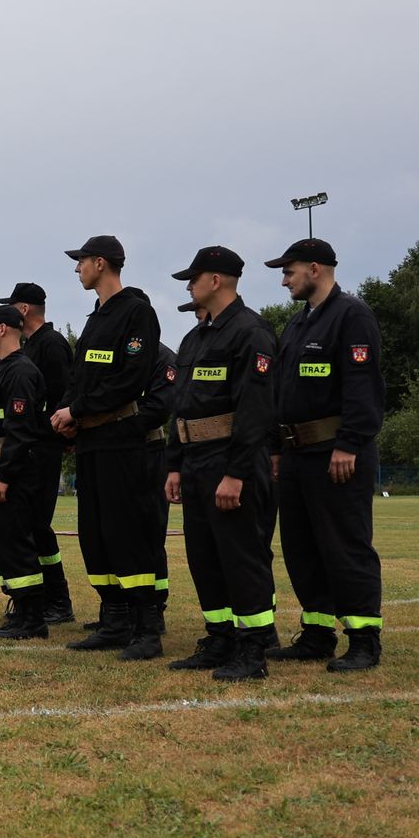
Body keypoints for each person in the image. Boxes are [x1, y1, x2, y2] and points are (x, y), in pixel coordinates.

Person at [266, 237, 387, 671]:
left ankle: (364, 639)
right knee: (302, 549)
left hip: (335, 452)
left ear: (314, 269)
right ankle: (317, 635)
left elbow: (362, 385)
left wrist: (349, 443)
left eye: (289, 272)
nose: (284, 281)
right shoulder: (298, 324)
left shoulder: (352, 316)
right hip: (297, 455)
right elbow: (281, 391)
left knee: (345, 546)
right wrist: (276, 448)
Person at [163, 247, 279, 681]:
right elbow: (182, 407)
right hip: (194, 461)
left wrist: (236, 473)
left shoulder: (251, 332)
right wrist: (174, 464)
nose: (188, 287)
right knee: (204, 556)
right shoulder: (196, 338)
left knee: (240, 555)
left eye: (193, 279)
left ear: (216, 280)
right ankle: (220, 638)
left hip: (230, 461)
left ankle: (253, 647)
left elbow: (255, 409)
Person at [52, 236, 163, 660]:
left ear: (100, 263)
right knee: (94, 534)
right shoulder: (96, 317)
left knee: (126, 533)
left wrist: (77, 409)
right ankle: (114, 621)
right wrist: (66, 415)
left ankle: (146, 628)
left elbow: (130, 379)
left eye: (80, 261)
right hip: (90, 441)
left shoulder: (136, 312)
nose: (76, 269)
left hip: (120, 441)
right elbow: (80, 378)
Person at [0, 305, 51, 638]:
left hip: (15, 473)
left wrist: (4, 476)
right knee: (2, 543)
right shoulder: (2, 369)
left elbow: (20, 431)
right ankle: (20, 611)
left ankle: (33, 619)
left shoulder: (20, 372)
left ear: (3, 328)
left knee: (16, 543)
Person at [1, 282, 75, 624]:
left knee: (38, 525)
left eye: (11, 306)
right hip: (27, 447)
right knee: (28, 525)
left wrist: (58, 436)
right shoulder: (30, 346)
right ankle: (41, 597)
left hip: (43, 446)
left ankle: (58, 599)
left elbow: (62, 396)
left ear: (24, 309)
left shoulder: (52, 343)